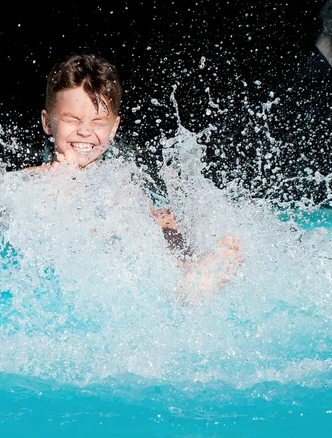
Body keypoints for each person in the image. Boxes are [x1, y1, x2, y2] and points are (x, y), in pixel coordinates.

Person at [26, 53, 243, 300]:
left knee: (181, 226)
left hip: (124, 279)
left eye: (98, 122)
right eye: (72, 119)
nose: (85, 131)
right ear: (47, 122)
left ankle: (188, 280)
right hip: (75, 281)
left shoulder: (119, 182)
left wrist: (167, 222)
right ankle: (183, 293)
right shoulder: (30, 182)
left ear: (114, 128)